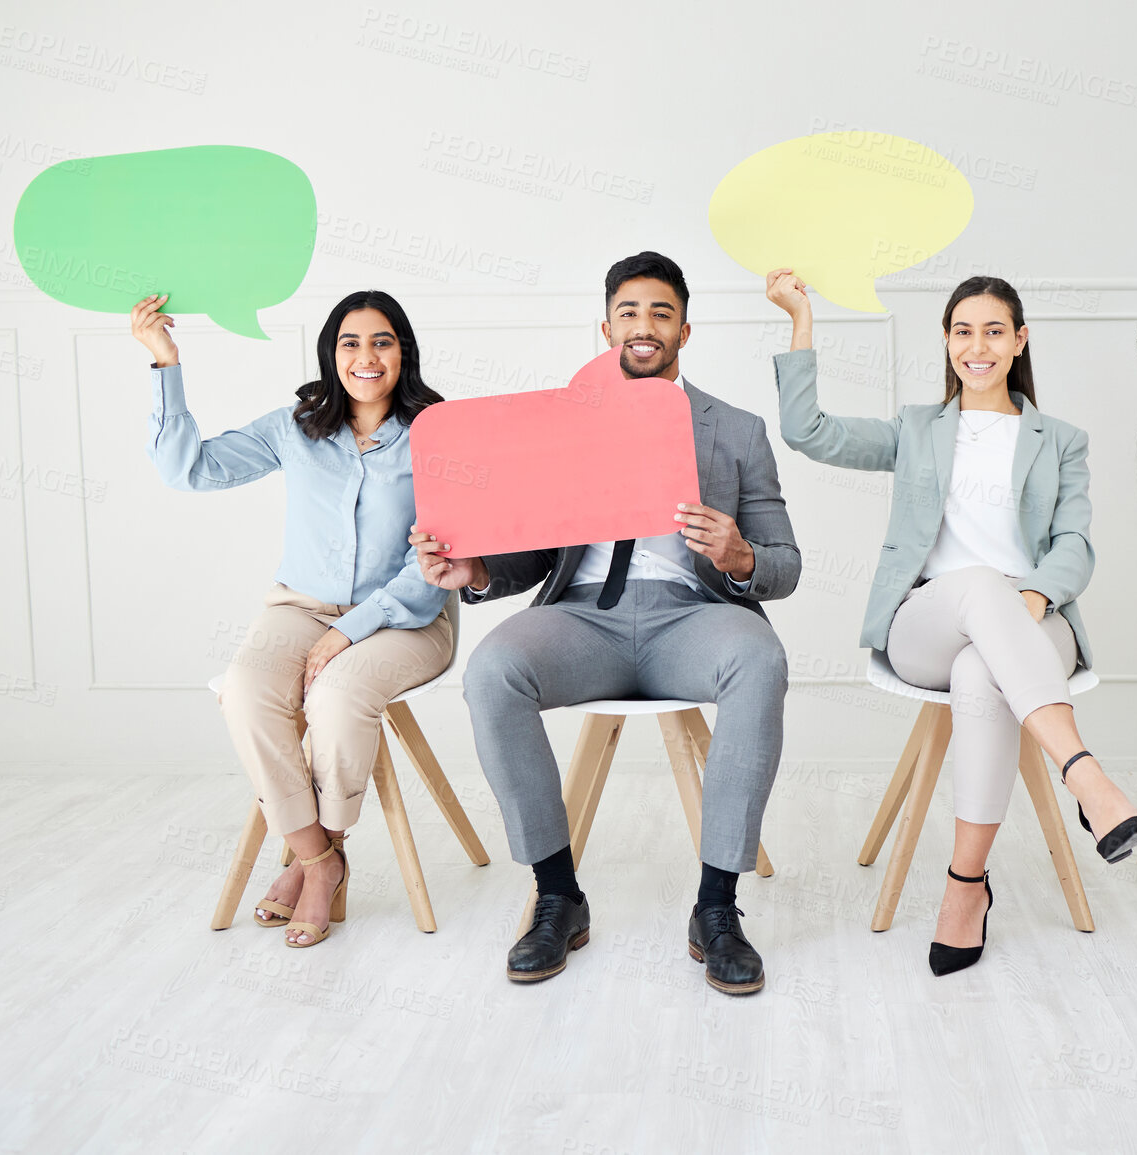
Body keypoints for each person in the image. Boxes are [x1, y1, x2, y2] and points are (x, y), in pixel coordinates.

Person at [412, 252, 800, 995]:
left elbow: (785, 564)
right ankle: (557, 893)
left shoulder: (738, 430)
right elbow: (530, 554)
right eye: (628, 312)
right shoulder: (562, 425)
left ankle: (716, 908)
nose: (643, 325)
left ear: (685, 329)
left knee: (760, 661)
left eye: (659, 312)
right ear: (605, 328)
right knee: (493, 668)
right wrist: (478, 572)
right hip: (581, 618)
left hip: (694, 614)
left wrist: (741, 552)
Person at [766, 269, 1137, 977]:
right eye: (963, 331)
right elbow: (806, 432)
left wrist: (1031, 598)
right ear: (945, 341)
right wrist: (800, 320)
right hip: (927, 624)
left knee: (983, 671)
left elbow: (1075, 544)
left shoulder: (1058, 439)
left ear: (1019, 339)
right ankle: (1085, 775)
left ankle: (964, 886)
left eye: (994, 330)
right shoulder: (916, 429)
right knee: (975, 585)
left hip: (1035, 621)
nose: (978, 345)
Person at [135, 289, 453, 948]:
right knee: (246, 690)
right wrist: (165, 363)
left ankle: (321, 852)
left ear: (404, 352)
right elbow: (186, 470)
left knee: (338, 691)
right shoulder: (296, 426)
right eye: (350, 342)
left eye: (382, 341)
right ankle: (318, 859)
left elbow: (431, 571)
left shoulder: (437, 434)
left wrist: (347, 633)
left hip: (406, 618)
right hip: (300, 606)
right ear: (330, 354)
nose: (366, 356)